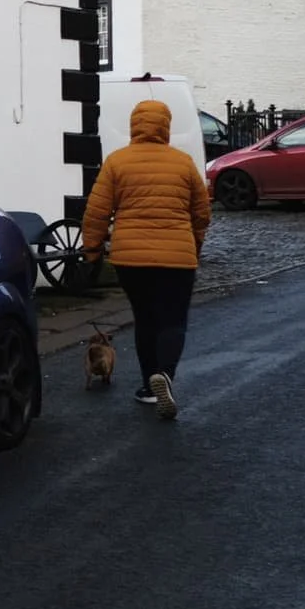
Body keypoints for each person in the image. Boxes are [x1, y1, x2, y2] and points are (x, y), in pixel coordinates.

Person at [81, 98, 211, 420]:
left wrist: (92, 251)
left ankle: (146, 386)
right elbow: (202, 212)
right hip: (177, 259)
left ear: (133, 125)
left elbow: (96, 212)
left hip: (131, 259)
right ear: (165, 126)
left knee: (146, 318)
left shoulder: (117, 162)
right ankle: (164, 375)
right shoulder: (183, 163)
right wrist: (194, 245)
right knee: (172, 319)